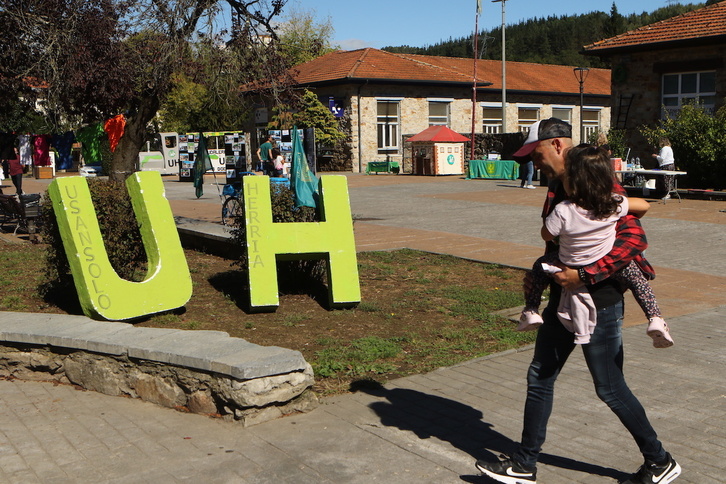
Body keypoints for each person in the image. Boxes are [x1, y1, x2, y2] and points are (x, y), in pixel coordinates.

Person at [475, 118, 681, 484]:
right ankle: (524, 464)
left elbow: (632, 239)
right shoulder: (559, 185)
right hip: (563, 298)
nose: (532, 162)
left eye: (535, 153)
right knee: (540, 376)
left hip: (599, 301)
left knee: (609, 388)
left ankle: (659, 460)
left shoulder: (591, 179)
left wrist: (584, 275)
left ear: (556, 145)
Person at [518, 144, 674, 348]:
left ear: (573, 182)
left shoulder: (563, 210)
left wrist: (559, 232)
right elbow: (643, 206)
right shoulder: (612, 203)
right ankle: (655, 318)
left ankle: (531, 310)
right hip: (605, 262)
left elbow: (546, 234)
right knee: (638, 279)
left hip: (568, 262)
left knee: (540, 266)